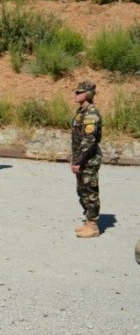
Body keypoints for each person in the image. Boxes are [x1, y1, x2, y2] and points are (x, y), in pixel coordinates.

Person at [70, 81, 102, 239]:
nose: (75, 94)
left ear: (88, 94)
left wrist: (77, 161)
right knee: (82, 190)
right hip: (82, 158)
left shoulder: (91, 114)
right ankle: (88, 221)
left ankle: (93, 226)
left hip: (88, 160)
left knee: (90, 191)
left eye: (79, 92)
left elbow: (89, 141)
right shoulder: (81, 112)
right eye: (75, 92)